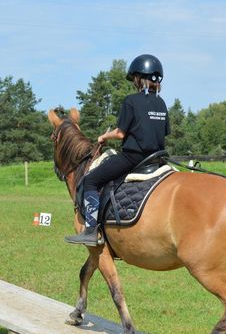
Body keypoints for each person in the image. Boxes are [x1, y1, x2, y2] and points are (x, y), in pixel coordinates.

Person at [65, 54, 171, 246]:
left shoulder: (131, 101)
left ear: (139, 78)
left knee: (90, 180)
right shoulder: (161, 103)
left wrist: (104, 137)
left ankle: (90, 230)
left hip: (133, 158)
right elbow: (165, 132)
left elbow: (121, 134)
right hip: (156, 159)